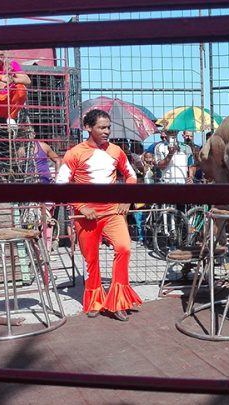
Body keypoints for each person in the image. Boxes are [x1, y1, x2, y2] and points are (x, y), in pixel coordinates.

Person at [55, 109, 142, 322]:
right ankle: (94, 300)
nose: (107, 131)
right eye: (102, 127)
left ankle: (119, 302)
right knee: (91, 259)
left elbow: (131, 177)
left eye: (108, 127)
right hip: (86, 215)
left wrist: (126, 200)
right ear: (88, 128)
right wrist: (81, 206)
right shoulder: (74, 153)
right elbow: (60, 185)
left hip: (112, 212)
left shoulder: (117, 151)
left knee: (124, 248)